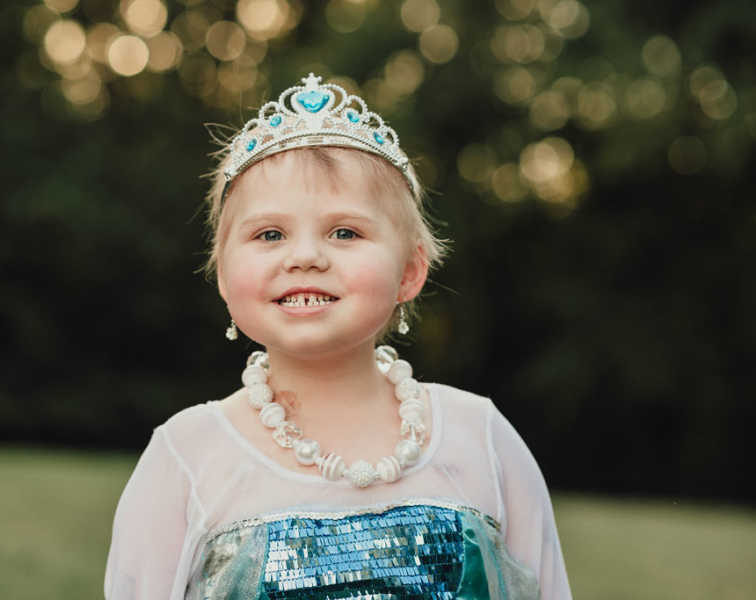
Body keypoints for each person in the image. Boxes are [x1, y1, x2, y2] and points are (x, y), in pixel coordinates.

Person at [104, 73, 572, 599]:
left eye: (345, 232)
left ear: (410, 272)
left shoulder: (480, 439)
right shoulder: (189, 457)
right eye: (269, 234)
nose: (305, 256)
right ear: (222, 275)